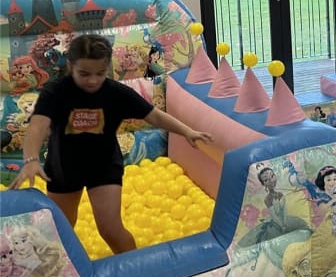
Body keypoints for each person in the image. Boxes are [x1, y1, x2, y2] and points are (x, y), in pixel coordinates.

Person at [10, 34, 214, 254]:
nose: (92, 80)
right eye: (84, 73)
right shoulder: (56, 92)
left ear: (107, 66)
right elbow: (37, 126)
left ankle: (135, 268)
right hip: (63, 168)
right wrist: (30, 160)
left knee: (110, 229)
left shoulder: (116, 93)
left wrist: (188, 132)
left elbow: (154, 115)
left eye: (100, 73)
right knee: (60, 231)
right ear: (70, 66)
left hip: (103, 166)